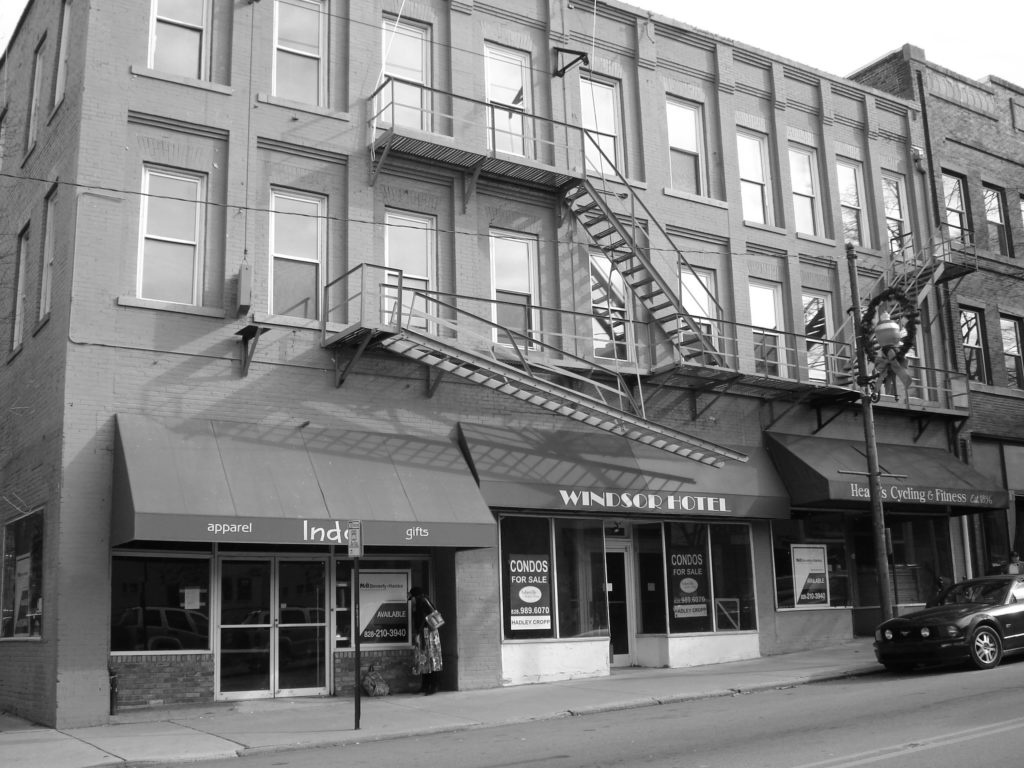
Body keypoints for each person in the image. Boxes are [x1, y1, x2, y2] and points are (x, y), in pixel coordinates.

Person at [408, 587, 442, 695]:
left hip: (429, 634)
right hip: (424, 633)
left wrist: (419, 632)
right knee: (424, 660)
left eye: (411, 598)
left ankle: (434, 686)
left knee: (432, 660)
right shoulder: (419, 603)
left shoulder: (423, 601)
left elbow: (428, 617)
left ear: (415, 596)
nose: (411, 601)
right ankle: (425, 685)